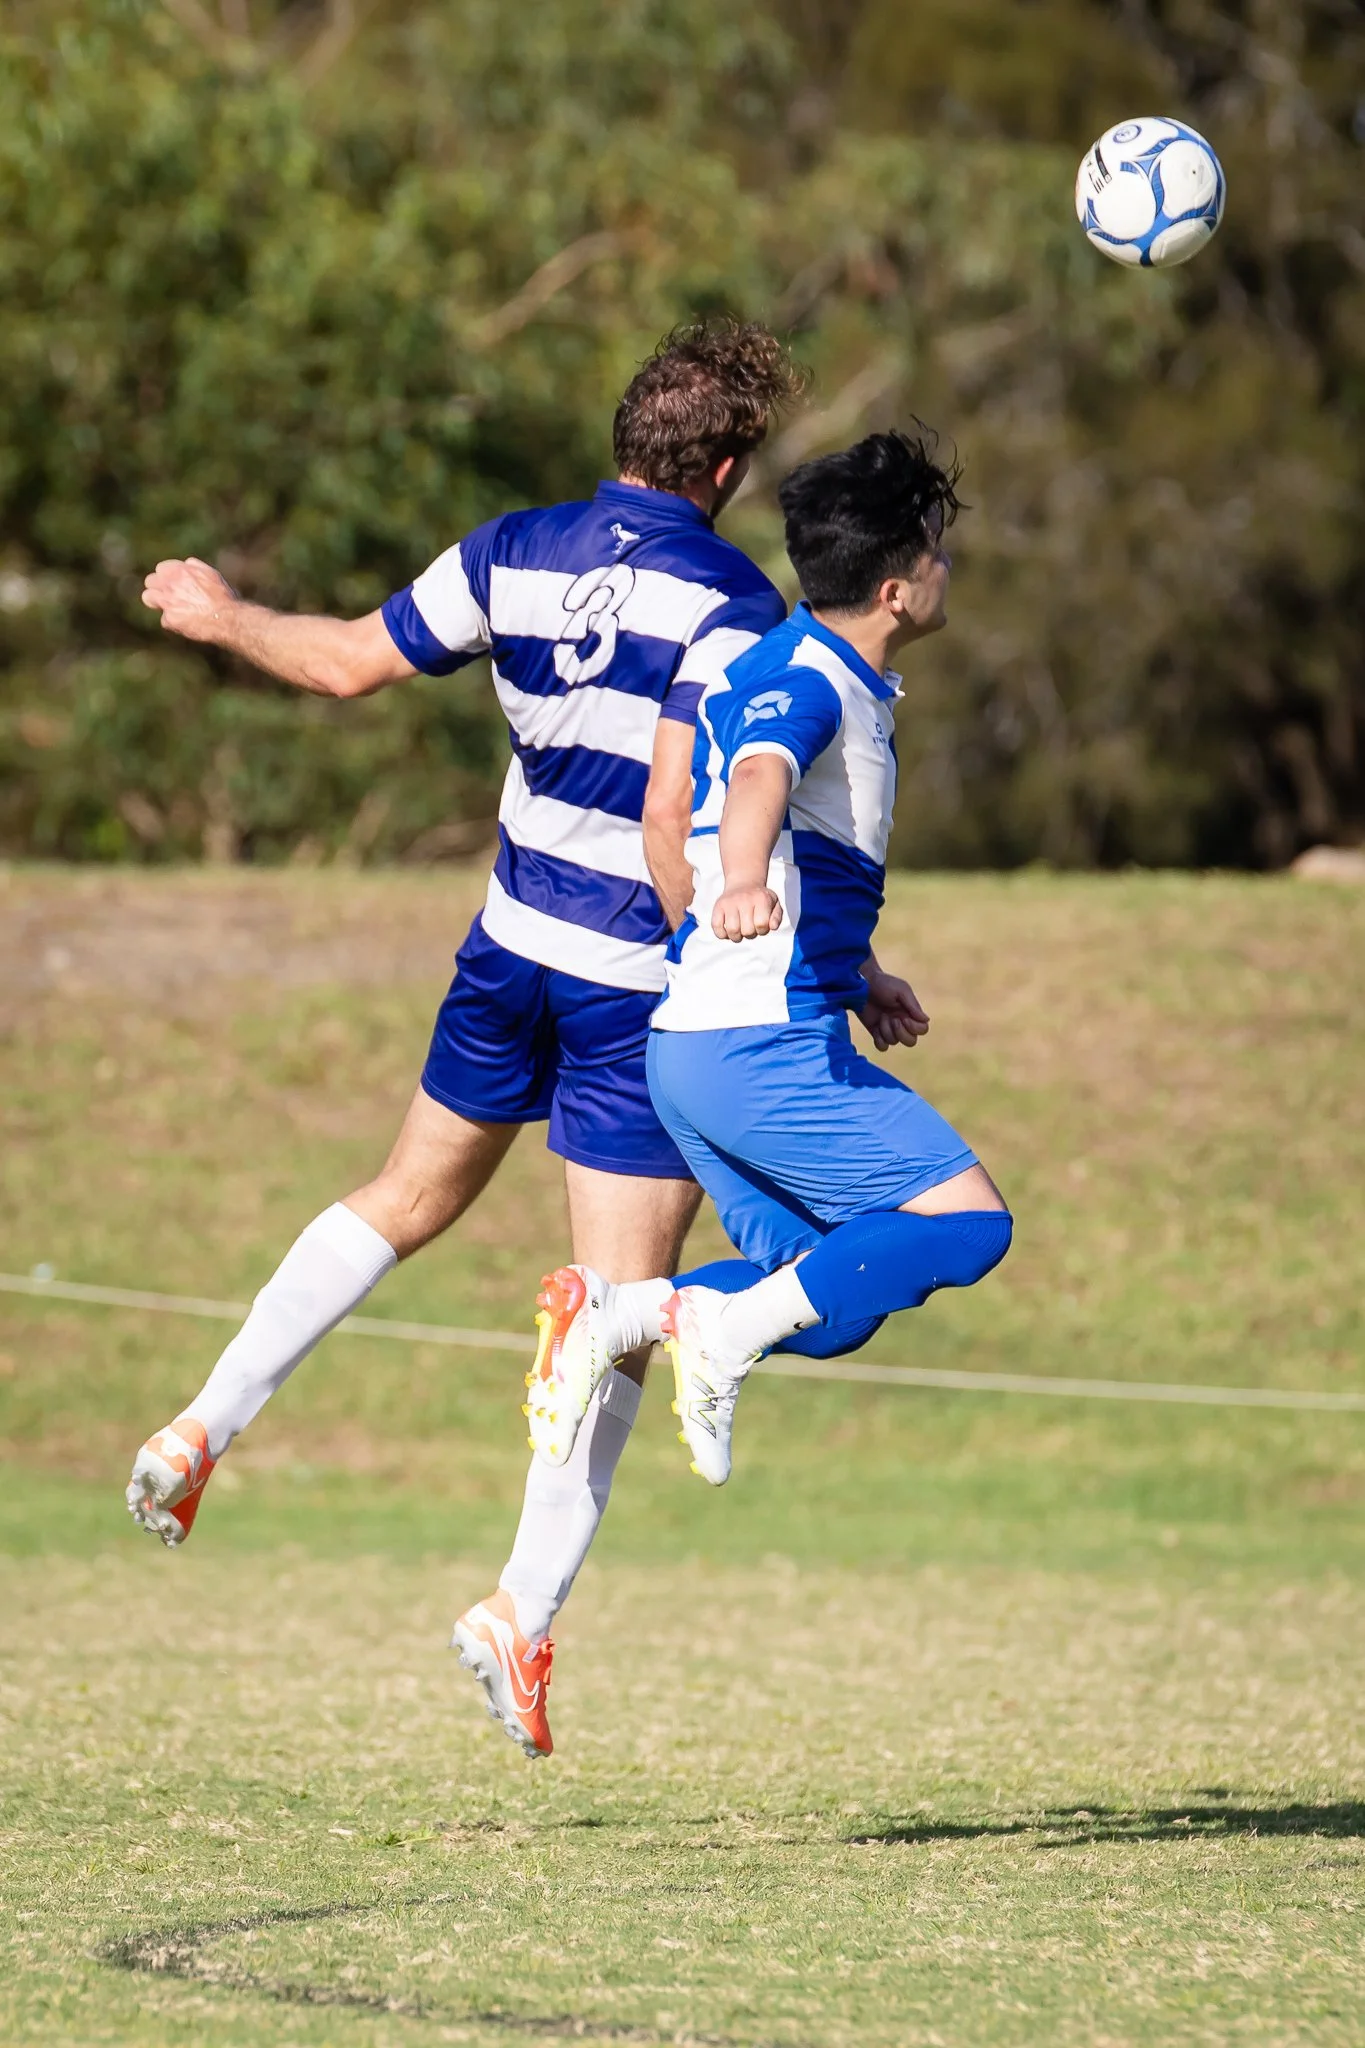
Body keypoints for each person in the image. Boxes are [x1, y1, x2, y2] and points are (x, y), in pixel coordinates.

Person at [124, 320, 803, 1759]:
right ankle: (521, 1612)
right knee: (617, 1317)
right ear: (727, 468)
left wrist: (225, 612)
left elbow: (353, 664)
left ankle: (196, 1431)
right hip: (628, 986)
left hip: (506, 950)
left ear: (627, 437)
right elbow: (672, 815)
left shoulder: (514, 547)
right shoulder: (735, 603)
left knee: (405, 1196)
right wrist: (745, 966)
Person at [530, 427, 1013, 1487]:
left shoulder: (796, 659)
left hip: (700, 1046)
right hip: (758, 1047)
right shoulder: (809, 685)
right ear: (895, 589)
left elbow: (806, 849)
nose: (947, 567)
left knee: (832, 1300)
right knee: (972, 1225)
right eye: (937, 549)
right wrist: (743, 876)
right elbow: (757, 779)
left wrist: (862, 971)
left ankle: (625, 1315)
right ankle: (709, 1335)